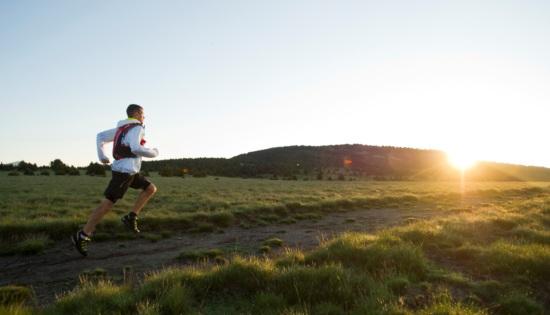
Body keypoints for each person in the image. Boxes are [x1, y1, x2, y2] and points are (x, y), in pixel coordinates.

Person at [72, 104, 159, 256]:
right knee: (107, 204)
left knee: (150, 189)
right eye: (143, 114)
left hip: (130, 171)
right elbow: (136, 148)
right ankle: (83, 235)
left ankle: (130, 217)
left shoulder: (121, 129)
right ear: (137, 113)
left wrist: (102, 156)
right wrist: (154, 152)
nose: (144, 117)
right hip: (124, 172)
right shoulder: (137, 128)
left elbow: (100, 136)